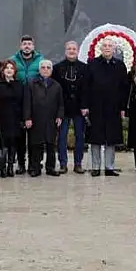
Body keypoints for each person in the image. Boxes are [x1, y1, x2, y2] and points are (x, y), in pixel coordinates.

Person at [83, 38, 129, 176]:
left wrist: (123, 108)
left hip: (113, 107)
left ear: (114, 49)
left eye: (110, 46)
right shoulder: (92, 64)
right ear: (101, 49)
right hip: (95, 106)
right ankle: (95, 167)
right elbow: (85, 86)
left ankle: (109, 167)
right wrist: (85, 105)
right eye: (105, 46)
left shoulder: (120, 65)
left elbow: (124, 88)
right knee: (95, 138)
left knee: (111, 138)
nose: (107, 48)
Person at [53, 41, 89, 174]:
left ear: (78, 50)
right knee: (62, 137)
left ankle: (78, 163)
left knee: (80, 136)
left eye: (74, 49)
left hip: (80, 108)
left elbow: (87, 89)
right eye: (69, 48)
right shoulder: (57, 68)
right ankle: (63, 164)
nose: (71, 51)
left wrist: (85, 106)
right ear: (65, 50)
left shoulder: (85, 68)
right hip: (63, 108)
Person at [24, 59, 65, 177]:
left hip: (51, 120)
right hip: (36, 119)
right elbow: (27, 103)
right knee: (36, 145)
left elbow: (61, 104)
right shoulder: (31, 83)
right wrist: (27, 118)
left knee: (51, 145)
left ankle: (50, 167)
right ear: (39, 70)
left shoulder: (56, 85)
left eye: (48, 67)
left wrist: (59, 116)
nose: (45, 70)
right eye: (43, 67)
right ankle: (35, 168)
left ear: (51, 70)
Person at [10, 35, 44, 171]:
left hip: (35, 102)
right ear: (20, 46)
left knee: (35, 136)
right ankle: (21, 164)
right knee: (19, 136)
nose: (27, 46)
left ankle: (34, 163)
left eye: (29, 44)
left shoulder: (40, 60)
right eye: (24, 44)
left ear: (33, 46)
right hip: (17, 102)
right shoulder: (13, 60)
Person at [0, 60, 25, 177]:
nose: (9, 70)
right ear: (3, 70)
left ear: (14, 71)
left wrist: (24, 118)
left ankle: (11, 166)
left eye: (11, 68)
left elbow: (23, 102)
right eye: (7, 68)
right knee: (3, 144)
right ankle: (3, 167)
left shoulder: (19, 84)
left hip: (16, 118)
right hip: (2, 118)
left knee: (14, 143)